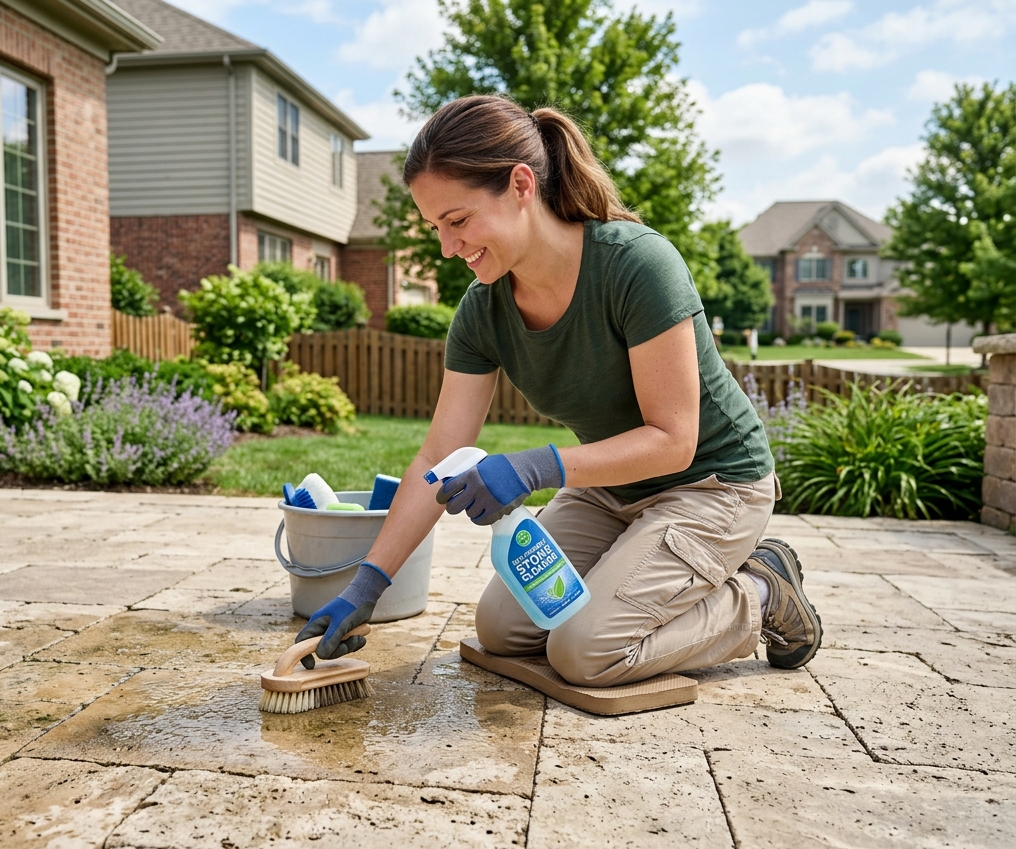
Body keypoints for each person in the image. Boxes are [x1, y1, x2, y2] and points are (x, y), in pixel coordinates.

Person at [295, 95, 821, 687]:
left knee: (585, 651)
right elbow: (435, 458)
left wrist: (531, 468)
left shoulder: (637, 266)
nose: (447, 247)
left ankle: (760, 591)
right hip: (607, 491)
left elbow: (674, 440)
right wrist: (366, 585)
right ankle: (658, 574)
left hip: (712, 485)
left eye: (459, 220)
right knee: (504, 630)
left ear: (521, 185)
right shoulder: (483, 311)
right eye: (436, 227)